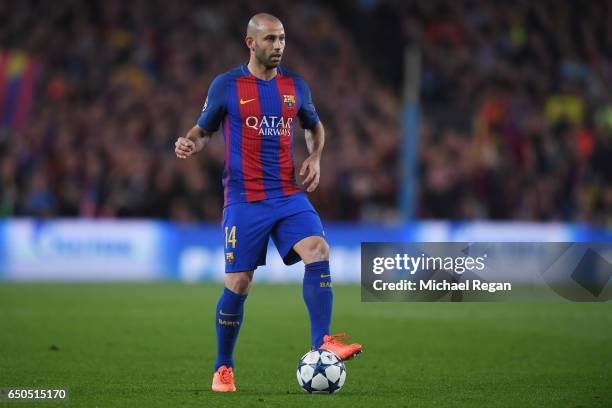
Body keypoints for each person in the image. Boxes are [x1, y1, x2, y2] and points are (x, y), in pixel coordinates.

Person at [174, 12, 362, 393]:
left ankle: (322, 344)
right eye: (270, 39)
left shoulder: (296, 87)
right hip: (244, 200)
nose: (278, 46)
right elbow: (204, 127)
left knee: (318, 249)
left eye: (282, 39)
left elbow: (314, 126)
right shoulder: (227, 85)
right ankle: (223, 367)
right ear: (251, 43)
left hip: (286, 194)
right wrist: (191, 141)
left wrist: (315, 157)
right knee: (239, 284)